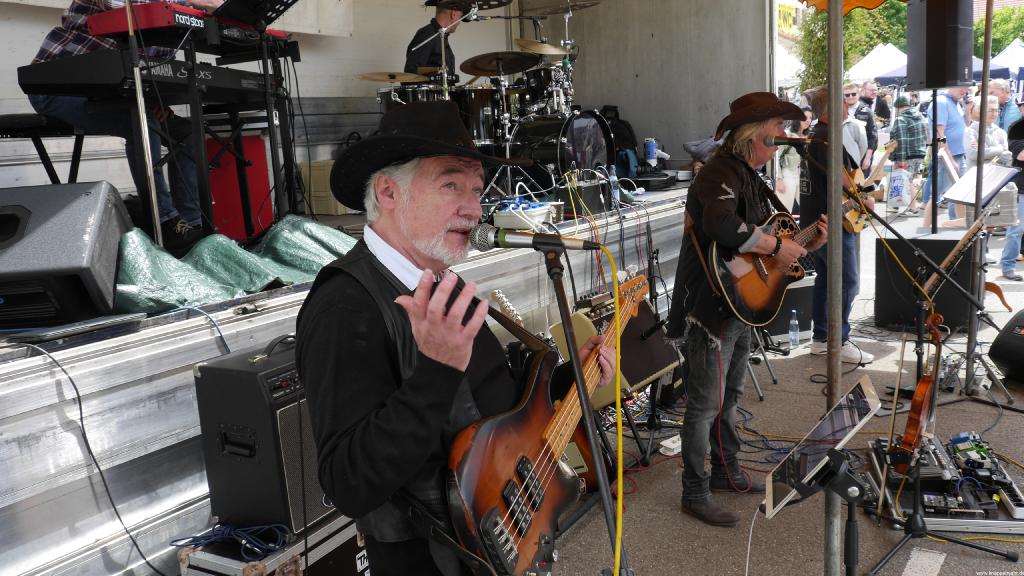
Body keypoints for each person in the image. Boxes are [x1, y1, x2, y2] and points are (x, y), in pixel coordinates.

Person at [295, 101, 614, 575]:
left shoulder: (442, 283)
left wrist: (570, 382)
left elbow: (494, 406)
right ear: (388, 192)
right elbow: (348, 483)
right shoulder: (346, 307)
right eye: (451, 185)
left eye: (477, 189)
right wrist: (437, 369)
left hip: (501, 545)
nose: (474, 208)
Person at [665, 92, 827, 528]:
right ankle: (694, 491)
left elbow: (770, 249)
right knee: (704, 404)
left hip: (741, 304)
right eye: (773, 138)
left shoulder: (751, 178)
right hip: (713, 304)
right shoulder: (719, 172)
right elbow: (722, 225)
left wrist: (806, 242)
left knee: (730, 396)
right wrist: (777, 244)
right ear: (750, 138)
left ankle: (726, 472)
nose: (777, 146)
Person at [27, 0, 218, 250]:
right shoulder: (164, 6)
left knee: (188, 132)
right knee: (140, 120)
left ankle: (192, 225)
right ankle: (164, 221)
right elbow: (120, 5)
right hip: (56, 87)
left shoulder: (176, 15)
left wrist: (153, 99)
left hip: (117, 94)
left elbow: (150, 71)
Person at [801, 87, 874, 365]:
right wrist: (864, 196)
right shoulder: (827, 140)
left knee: (826, 279)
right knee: (846, 282)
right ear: (831, 107)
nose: (847, 106)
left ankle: (821, 338)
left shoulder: (813, 136)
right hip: (831, 221)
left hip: (816, 219)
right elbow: (845, 181)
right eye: (842, 101)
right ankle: (838, 340)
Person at [922, 86, 969, 219]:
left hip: (958, 154)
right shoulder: (941, 102)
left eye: (967, 87)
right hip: (946, 155)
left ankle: (955, 221)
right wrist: (949, 158)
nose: (965, 90)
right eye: (962, 86)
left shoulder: (957, 103)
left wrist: (967, 106)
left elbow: (966, 125)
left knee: (958, 192)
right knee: (937, 194)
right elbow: (939, 134)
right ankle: (926, 225)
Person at [404, 1, 467, 77]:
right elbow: (411, 73)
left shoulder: (441, 36)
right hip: (431, 89)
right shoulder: (428, 34)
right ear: (453, 14)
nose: (459, 22)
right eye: (460, 17)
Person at [888, 95, 929, 213]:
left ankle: (913, 207)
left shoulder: (901, 119)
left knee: (907, 180)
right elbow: (927, 135)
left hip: (907, 154)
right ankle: (898, 205)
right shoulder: (920, 116)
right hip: (920, 153)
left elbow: (901, 140)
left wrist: (900, 159)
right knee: (906, 179)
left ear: (898, 107)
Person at [776, 105, 812, 212]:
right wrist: (779, 179)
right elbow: (776, 156)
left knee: (807, 209)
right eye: (806, 117)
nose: (808, 120)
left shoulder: (810, 136)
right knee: (784, 210)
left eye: (811, 117)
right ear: (798, 119)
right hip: (788, 175)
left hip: (804, 177)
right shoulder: (787, 135)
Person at [1002, 121, 1024, 281]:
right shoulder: (1016, 128)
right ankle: (1008, 266)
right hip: (1022, 188)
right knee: (1016, 229)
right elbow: (1021, 154)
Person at [853, 81, 880, 172]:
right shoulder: (862, 107)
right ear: (863, 90)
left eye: (875, 90)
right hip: (860, 154)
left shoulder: (868, 105)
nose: (874, 92)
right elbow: (871, 135)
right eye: (871, 90)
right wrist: (867, 157)